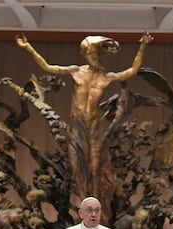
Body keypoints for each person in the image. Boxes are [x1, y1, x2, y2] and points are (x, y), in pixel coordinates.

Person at [16, 33, 153, 212]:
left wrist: (143, 46)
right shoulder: (75, 71)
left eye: (100, 54)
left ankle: (97, 209)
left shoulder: (107, 77)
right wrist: (28, 48)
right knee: (77, 168)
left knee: (96, 169)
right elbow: (48, 67)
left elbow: (131, 71)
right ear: (87, 54)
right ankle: (84, 209)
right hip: (77, 129)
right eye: (94, 54)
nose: (98, 58)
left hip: (94, 131)